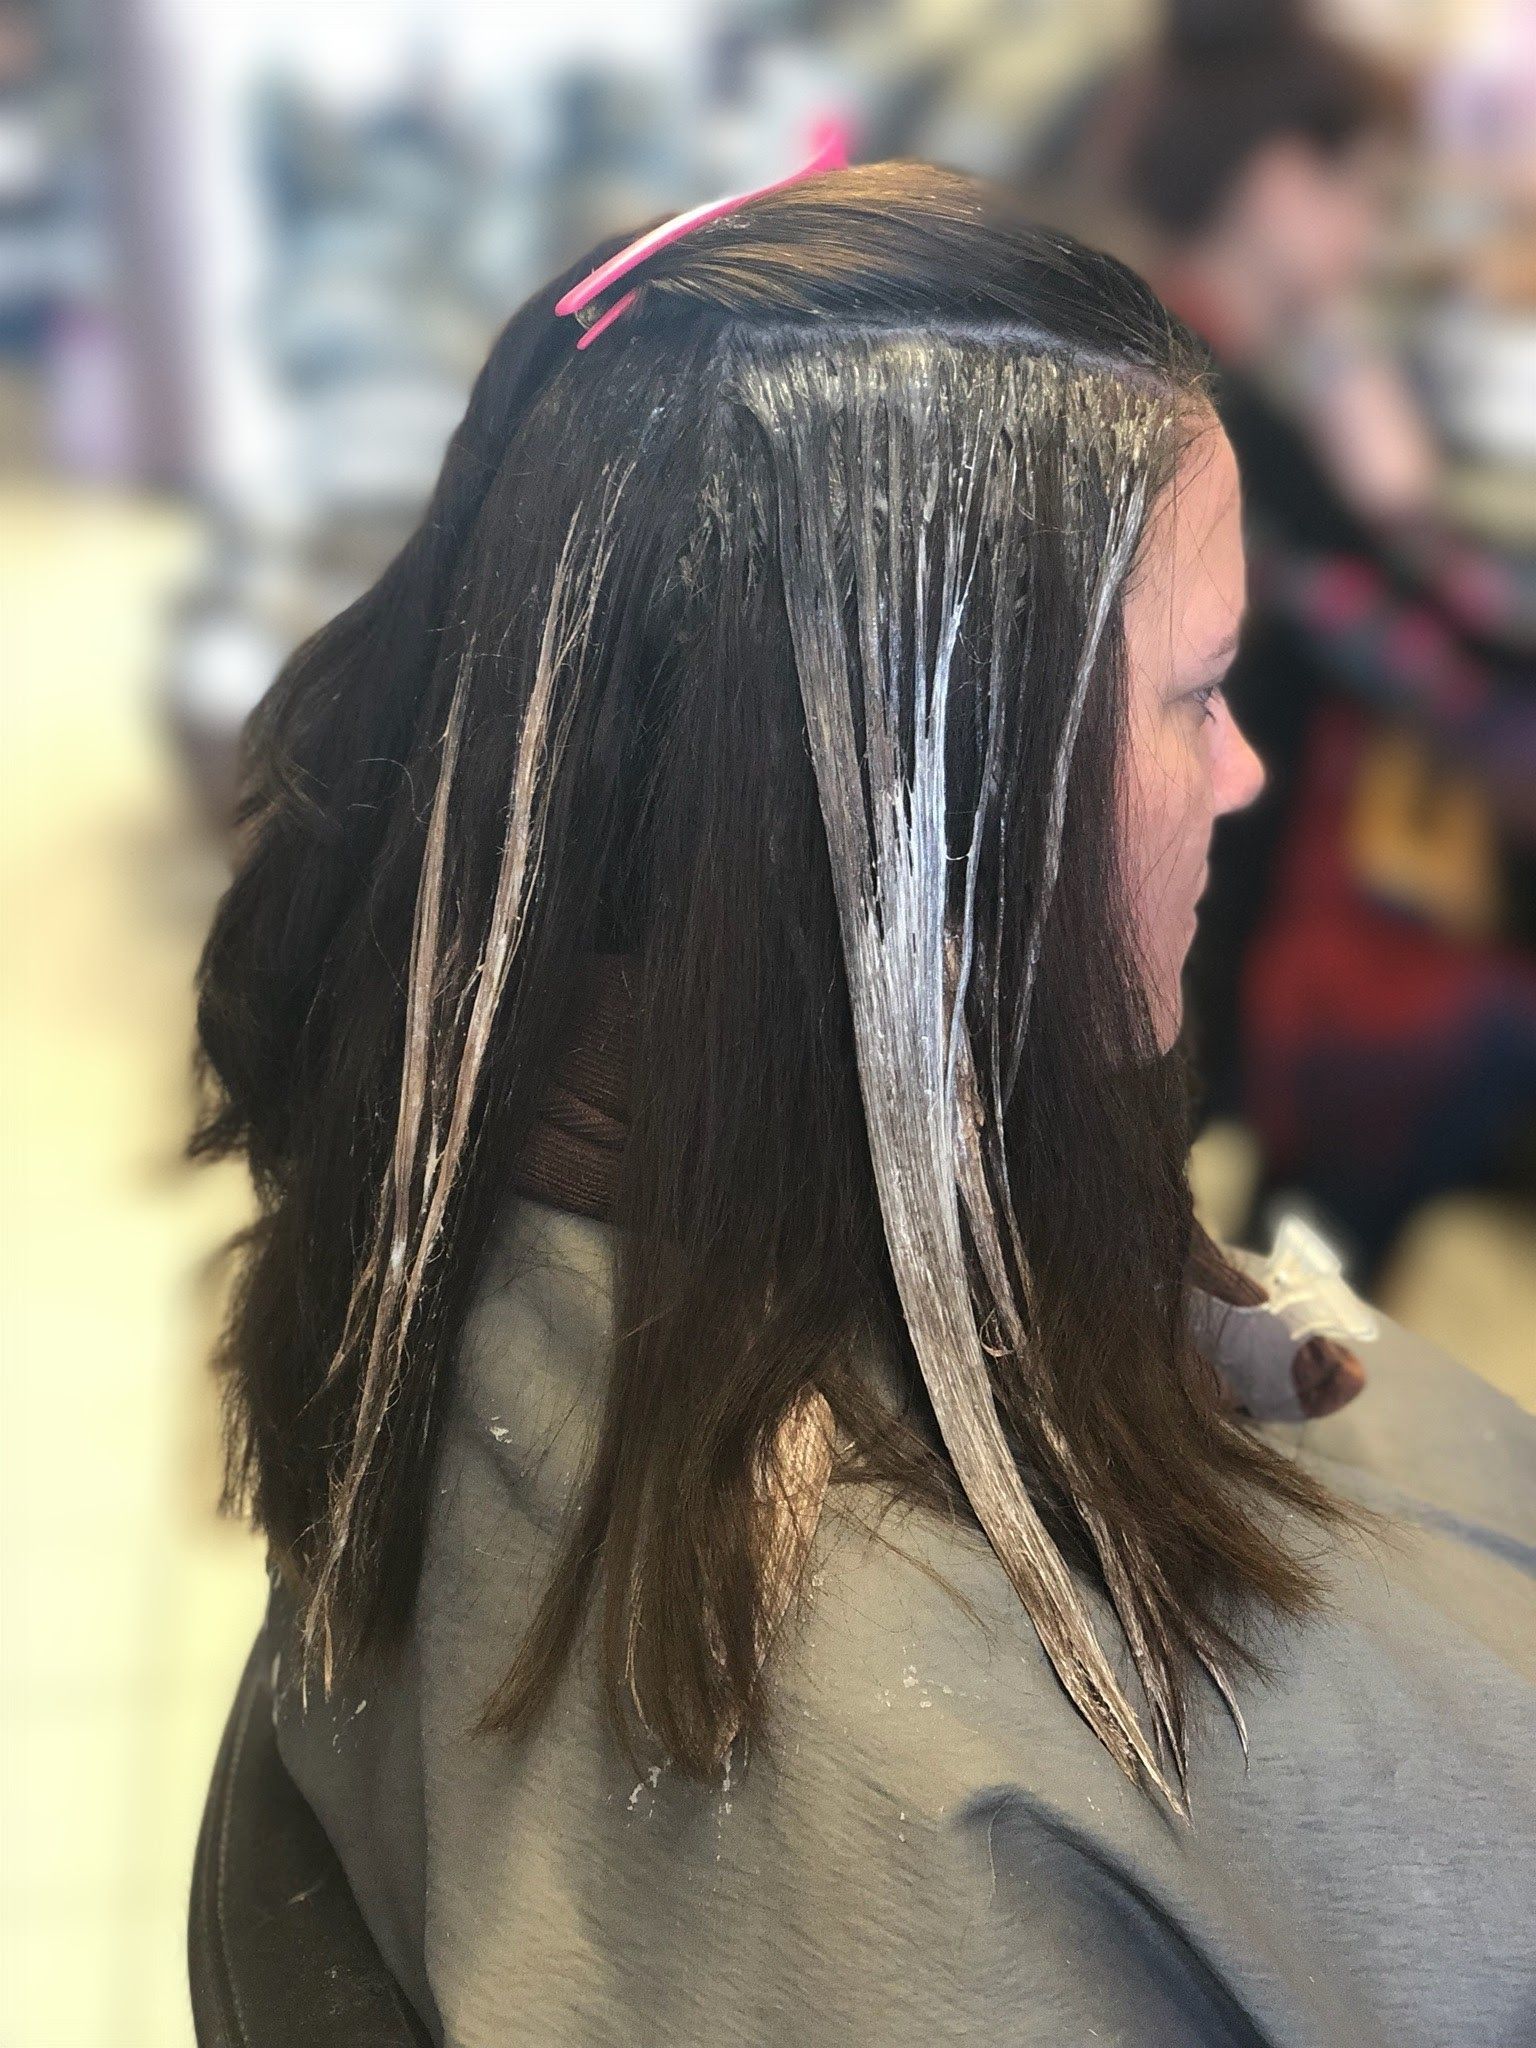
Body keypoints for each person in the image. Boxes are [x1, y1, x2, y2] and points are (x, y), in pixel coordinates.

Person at [190, 159, 1535, 2046]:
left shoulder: (473, 1196)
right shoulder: (889, 1759)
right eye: (1197, 694)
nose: (1241, 772)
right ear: (913, 810)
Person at [1065, 0, 1536, 1279]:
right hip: (1192, 939)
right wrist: (1408, 508)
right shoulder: (1196, 403)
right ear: (1279, 187)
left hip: (1199, 920)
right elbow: (1395, 641)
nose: (1369, 237)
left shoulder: (1174, 356)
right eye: (1363, 197)